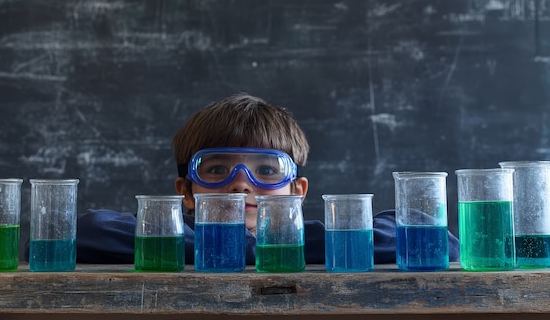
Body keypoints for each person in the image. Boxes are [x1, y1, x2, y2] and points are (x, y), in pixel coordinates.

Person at [74, 94, 460, 264]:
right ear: (186, 194)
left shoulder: (169, 248)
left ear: (297, 191)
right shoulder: (336, 245)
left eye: (266, 170)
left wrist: (274, 246)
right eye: (216, 169)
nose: (241, 184)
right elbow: (88, 229)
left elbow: (435, 236)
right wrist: (244, 250)